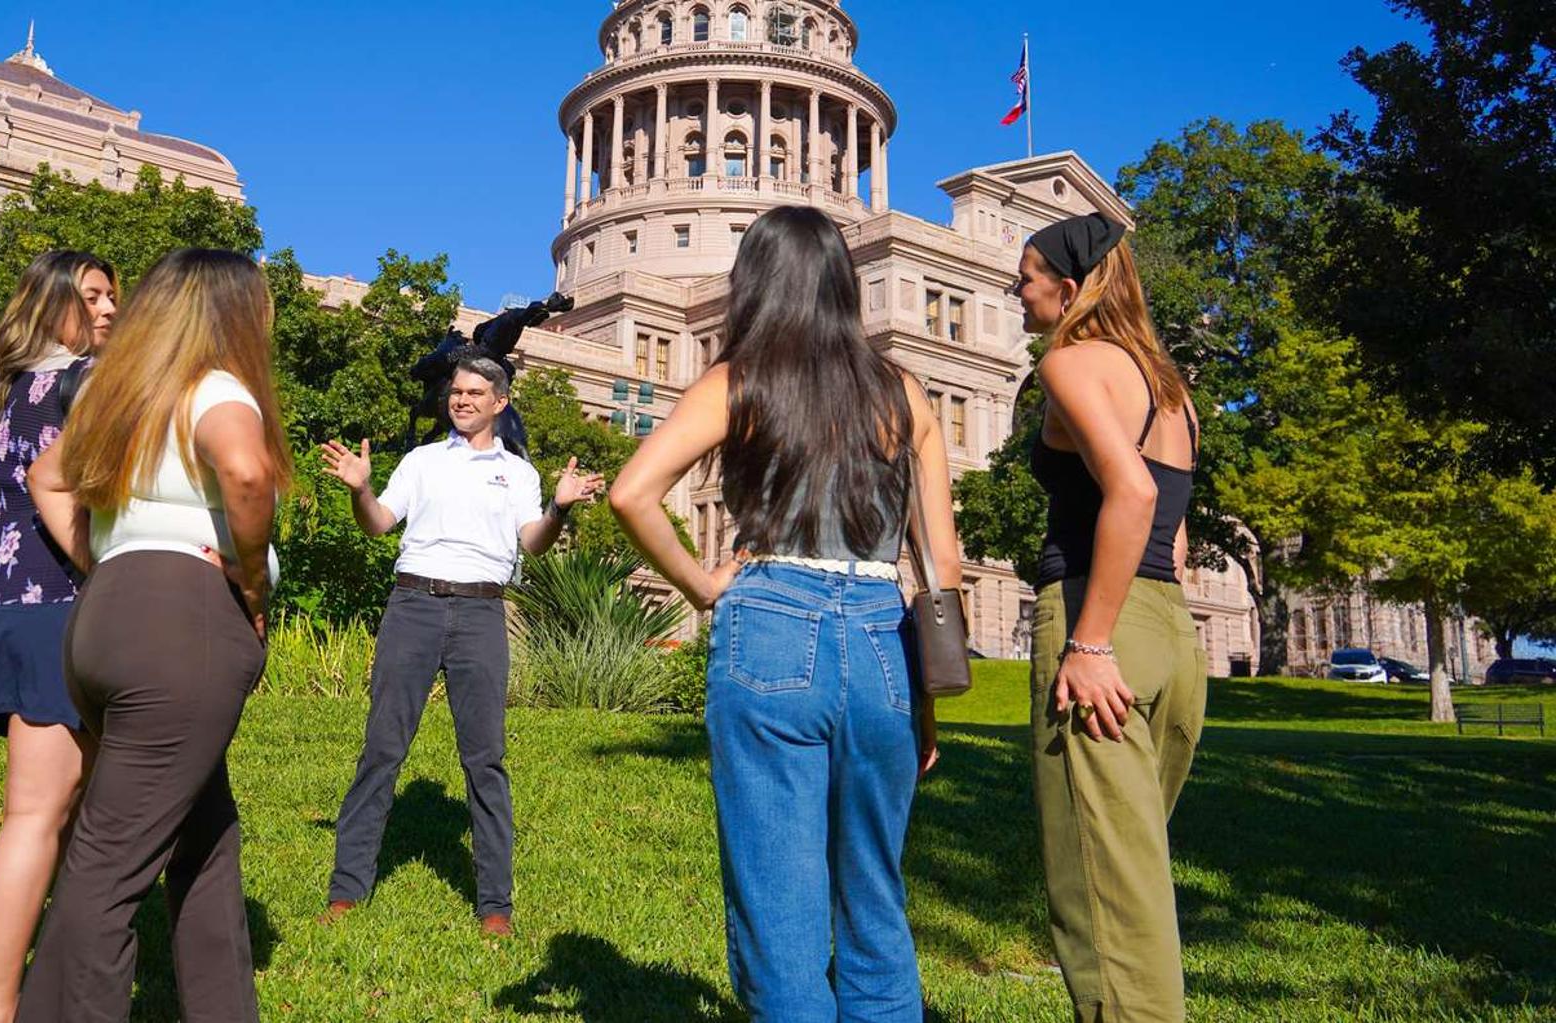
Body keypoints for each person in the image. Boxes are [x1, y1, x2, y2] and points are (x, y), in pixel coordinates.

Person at [608, 205, 956, 1021]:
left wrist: (701, 584)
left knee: (779, 907)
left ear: (754, 283)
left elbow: (631, 493)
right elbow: (942, 565)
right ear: (843, 284)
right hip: (882, 634)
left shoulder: (738, 381)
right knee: (875, 900)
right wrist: (925, 702)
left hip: (770, 616)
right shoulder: (904, 394)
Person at [18, 248, 288, 1023]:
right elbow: (246, 473)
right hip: (182, 625)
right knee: (108, 868)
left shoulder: (121, 393)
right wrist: (251, 581)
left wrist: (110, 558)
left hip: (105, 619)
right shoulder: (217, 387)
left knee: (205, 838)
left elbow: (46, 477)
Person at [318, 353, 602, 937]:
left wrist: (559, 508)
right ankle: (347, 891)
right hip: (413, 605)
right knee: (382, 749)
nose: (462, 399)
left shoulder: (518, 473)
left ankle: (495, 905)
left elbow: (534, 543)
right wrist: (360, 489)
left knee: (485, 759)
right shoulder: (421, 461)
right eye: (457, 391)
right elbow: (378, 523)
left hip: (480, 612)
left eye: (475, 392)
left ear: (500, 402)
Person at [1012, 212, 1205, 1022]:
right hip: (1171, 635)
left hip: (1102, 622)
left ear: (1068, 287)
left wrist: (1089, 641)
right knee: (1136, 874)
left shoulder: (1069, 363)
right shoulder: (1170, 388)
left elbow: (1133, 491)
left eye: (1024, 278)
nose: (1016, 293)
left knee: (1107, 904)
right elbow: (1177, 532)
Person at [0, 249, 117, 1022]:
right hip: (52, 598)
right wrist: (108, 574)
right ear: (52, 305)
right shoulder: (83, 381)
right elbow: (64, 492)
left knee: (54, 805)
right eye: (92, 296)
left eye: (112, 296)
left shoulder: (9, 388)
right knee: (39, 812)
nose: (109, 309)